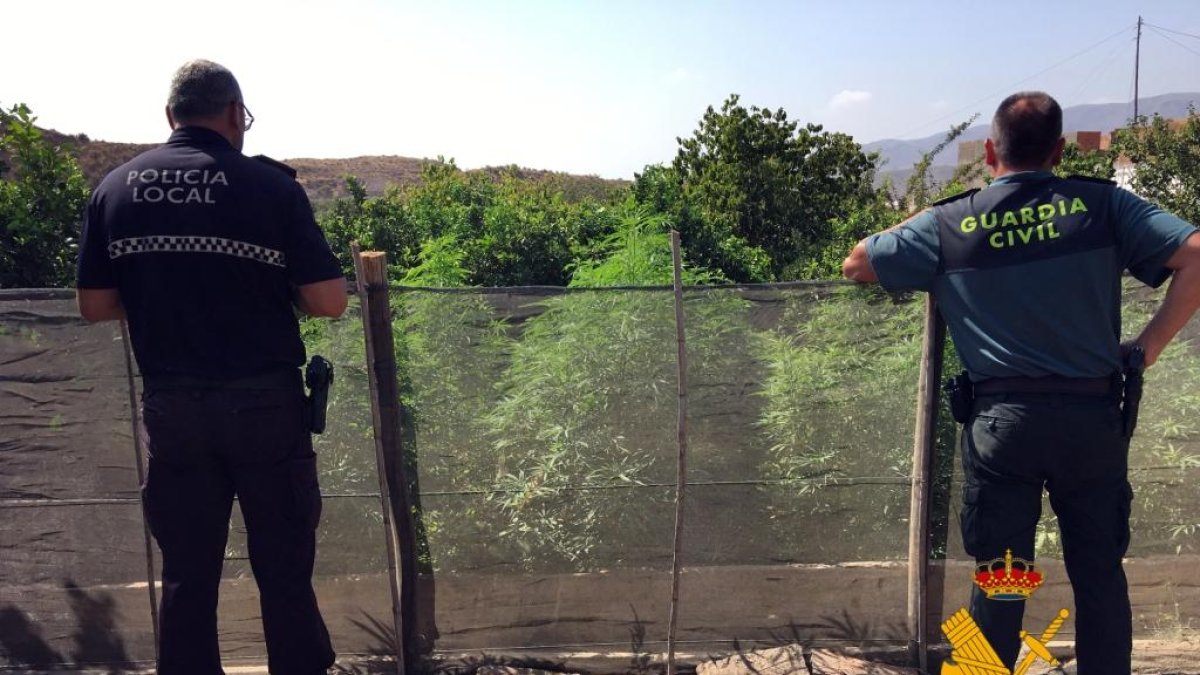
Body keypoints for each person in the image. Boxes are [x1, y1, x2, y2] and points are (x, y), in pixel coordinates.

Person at [843, 91, 1200, 674]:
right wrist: (1145, 348)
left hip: (1002, 427)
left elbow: (858, 264)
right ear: (1059, 150)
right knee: (1100, 577)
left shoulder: (952, 222)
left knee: (1001, 580)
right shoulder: (1104, 207)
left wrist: (931, 213)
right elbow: (1197, 255)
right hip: (1091, 423)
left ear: (990, 151)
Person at [76, 59, 346, 675]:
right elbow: (329, 300)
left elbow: (94, 306)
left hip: (173, 409)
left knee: (186, 573)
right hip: (265, 408)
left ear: (170, 116)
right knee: (283, 568)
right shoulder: (272, 188)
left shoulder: (116, 188)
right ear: (233, 113)